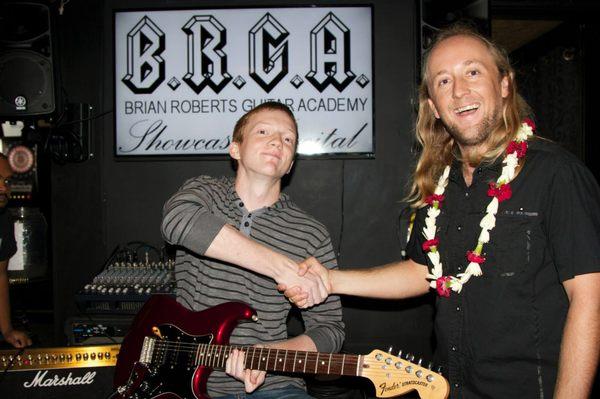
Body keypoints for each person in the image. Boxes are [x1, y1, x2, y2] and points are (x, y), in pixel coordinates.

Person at [283, 24, 600, 398]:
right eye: (444, 81)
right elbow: (424, 272)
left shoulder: (556, 173)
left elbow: (589, 299)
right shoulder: (441, 184)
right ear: (433, 105)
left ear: (504, 85)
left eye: (472, 72)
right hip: (450, 388)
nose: (460, 90)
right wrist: (330, 281)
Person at [161, 102, 344, 398]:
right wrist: (283, 268)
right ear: (235, 149)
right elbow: (176, 220)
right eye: (263, 132)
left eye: (288, 139)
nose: (277, 142)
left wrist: (270, 353)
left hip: (273, 386)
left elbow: (330, 329)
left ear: (291, 163)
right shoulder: (204, 193)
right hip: (180, 379)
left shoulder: (310, 233)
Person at [0, 154, 32, 349]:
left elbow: (0, 275)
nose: (3, 187)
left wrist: (7, 330)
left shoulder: (4, 220)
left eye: (6, 181)